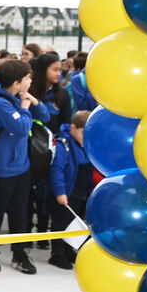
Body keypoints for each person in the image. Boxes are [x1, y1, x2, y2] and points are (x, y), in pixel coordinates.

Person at [0, 59, 44, 275]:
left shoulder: (16, 98)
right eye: (27, 78)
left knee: (20, 213)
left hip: (21, 167)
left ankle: (20, 252)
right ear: (17, 82)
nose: (30, 81)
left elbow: (45, 116)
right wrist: (25, 108)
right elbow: (21, 127)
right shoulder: (0, 103)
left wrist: (34, 103)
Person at [28, 53, 72, 252]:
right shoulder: (30, 90)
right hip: (30, 150)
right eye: (54, 69)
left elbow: (66, 122)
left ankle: (44, 233)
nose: (58, 73)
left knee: (47, 192)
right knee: (29, 193)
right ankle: (26, 233)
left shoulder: (62, 94)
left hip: (52, 150)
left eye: (60, 70)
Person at [48, 110, 92, 270]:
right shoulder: (63, 144)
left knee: (72, 222)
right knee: (60, 222)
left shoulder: (84, 145)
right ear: (73, 128)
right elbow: (57, 170)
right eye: (82, 133)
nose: (85, 137)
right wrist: (60, 192)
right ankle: (57, 253)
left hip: (78, 193)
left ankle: (68, 249)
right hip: (66, 192)